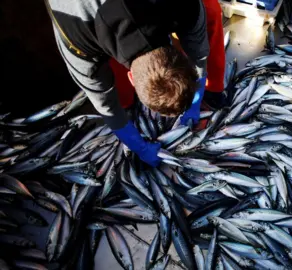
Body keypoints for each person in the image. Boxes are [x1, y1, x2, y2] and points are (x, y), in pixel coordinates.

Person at [44, 0, 225, 167]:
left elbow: (199, 55)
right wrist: (139, 147)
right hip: (80, 11)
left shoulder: (184, 5)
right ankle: (128, 105)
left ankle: (214, 89)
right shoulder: (77, 40)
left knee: (210, 10)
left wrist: (196, 98)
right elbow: (106, 106)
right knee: (114, 90)